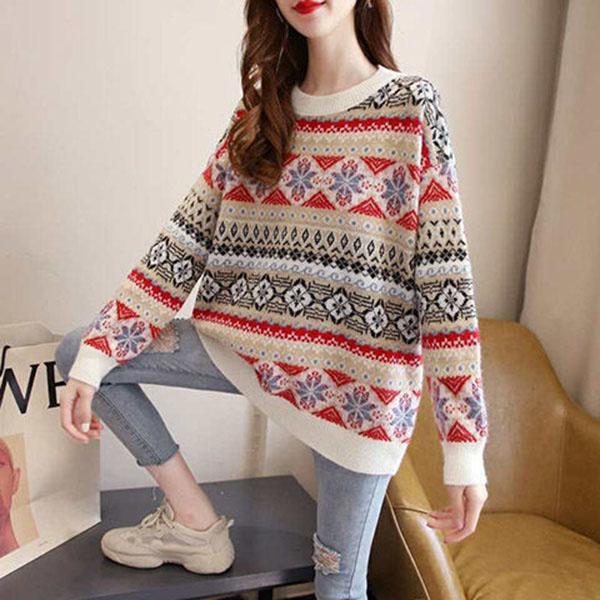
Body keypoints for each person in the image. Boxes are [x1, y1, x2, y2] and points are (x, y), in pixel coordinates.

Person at [54, 0, 490, 597]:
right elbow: (181, 245)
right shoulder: (260, 114)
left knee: (337, 587)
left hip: (356, 391)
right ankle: (194, 522)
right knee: (83, 352)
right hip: (243, 349)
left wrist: (463, 448)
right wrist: (98, 356)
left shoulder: (409, 107)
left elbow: (446, 285)